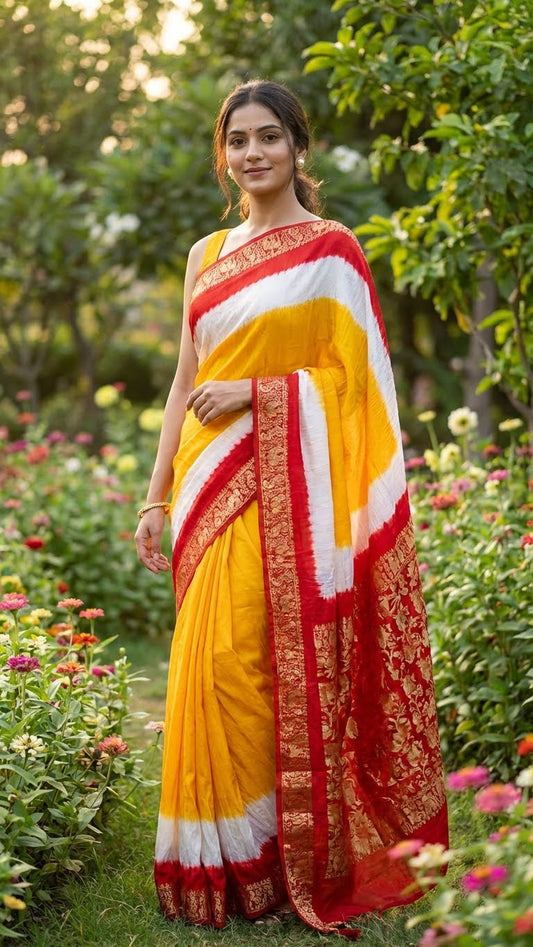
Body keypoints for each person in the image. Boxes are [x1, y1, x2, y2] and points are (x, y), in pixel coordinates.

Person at [135, 79, 448, 937]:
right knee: (208, 663)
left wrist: (258, 394)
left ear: (297, 148)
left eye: (270, 137)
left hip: (289, 489)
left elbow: (357, 387)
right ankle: (216, 859)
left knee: (254, 665)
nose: (253, 154)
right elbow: (182, 379)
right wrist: (155, 492)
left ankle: (277, 854)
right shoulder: (207, 253)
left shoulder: (330, 249)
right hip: (208, 485)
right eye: (238, 140)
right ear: (223, 153)